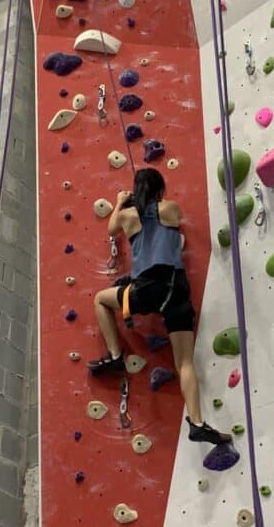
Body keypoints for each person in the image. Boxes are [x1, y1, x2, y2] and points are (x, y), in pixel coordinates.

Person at [88, 168, 232, 446]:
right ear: (160, 189)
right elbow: (173, 225)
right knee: (185, 362)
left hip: (145, 290)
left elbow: (111, 229)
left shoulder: (127, 217)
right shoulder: (170, 208)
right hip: (175, 289)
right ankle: (197, 421)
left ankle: (116, 354)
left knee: (100, 299)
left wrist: (120, 200)